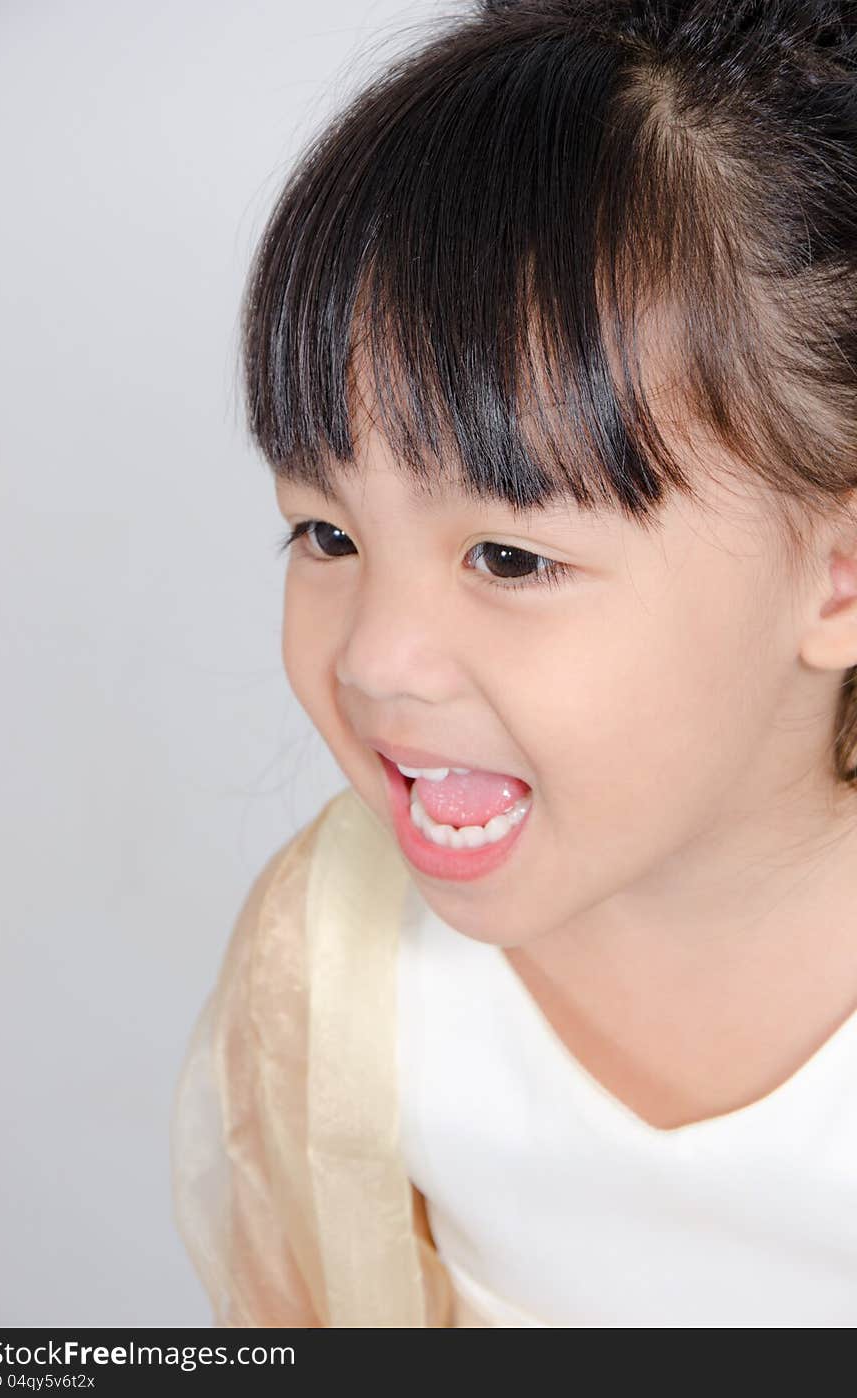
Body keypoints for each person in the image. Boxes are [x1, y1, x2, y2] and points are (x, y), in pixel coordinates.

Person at [171, 0, 857, 1326]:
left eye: (508, 557)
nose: (375, 658)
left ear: (836, 576)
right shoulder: (336, 969)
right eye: (325, 532)